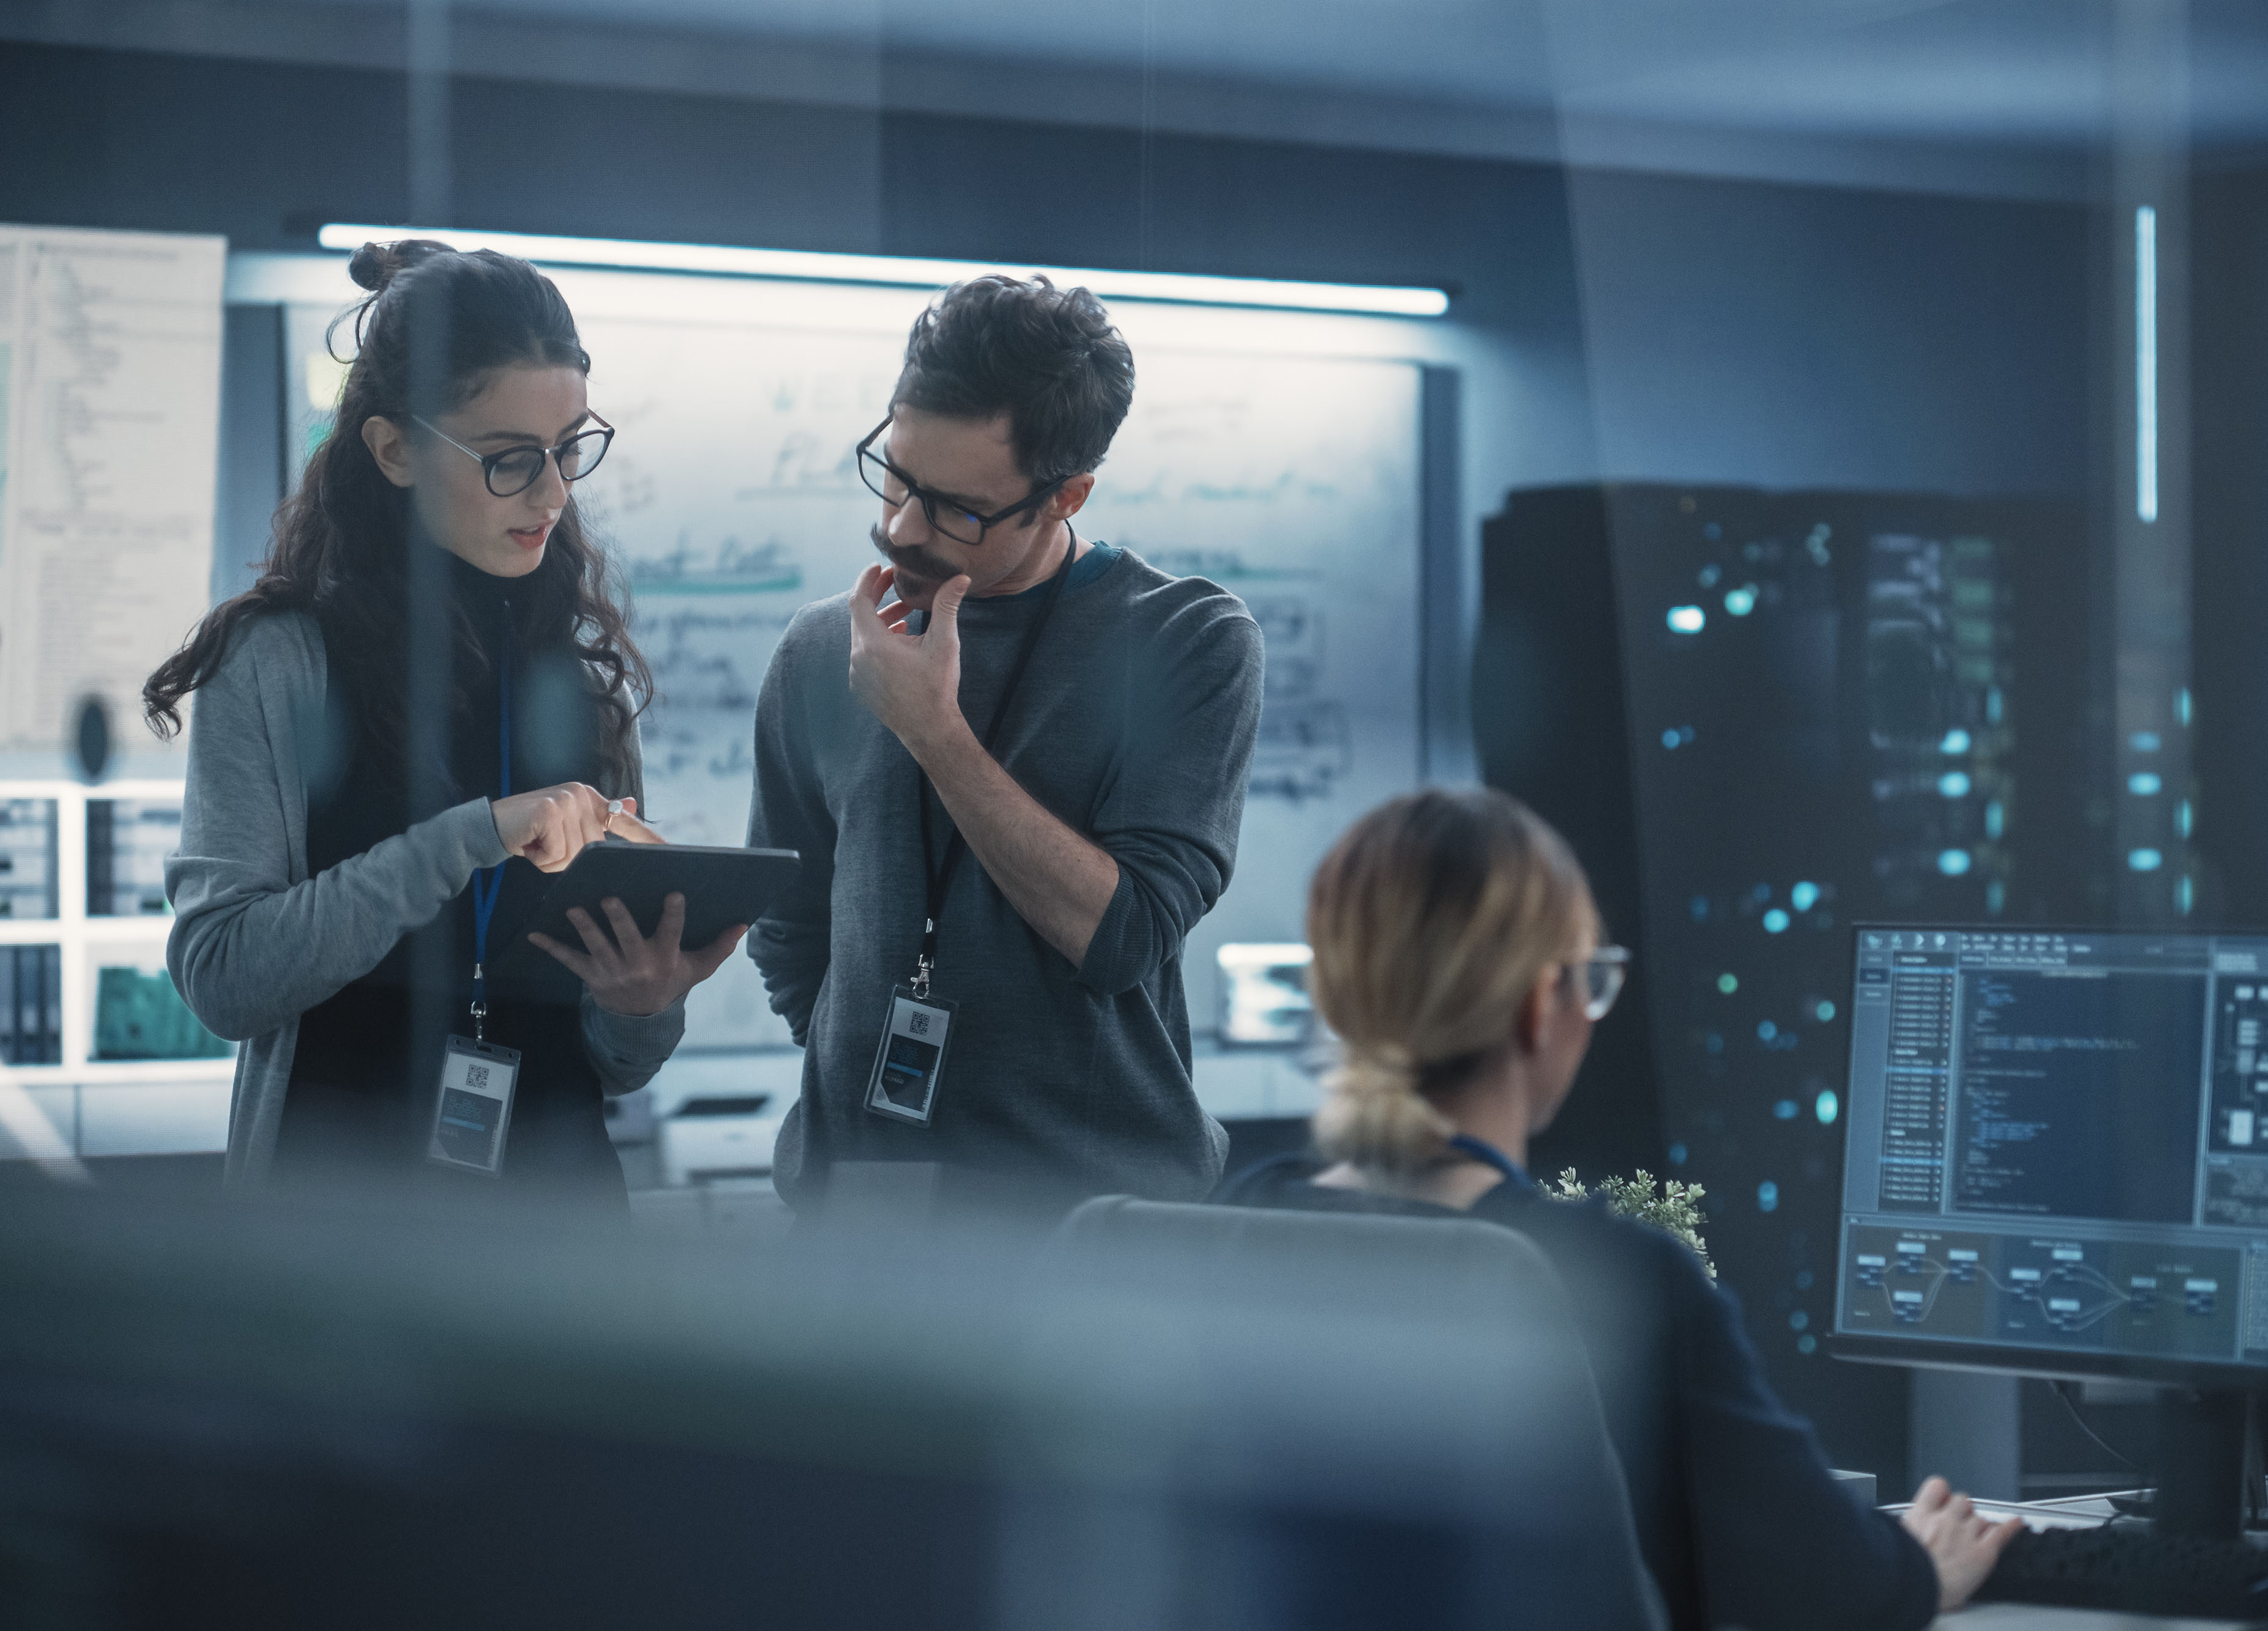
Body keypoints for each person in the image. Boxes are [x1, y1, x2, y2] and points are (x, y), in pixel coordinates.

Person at [1218, 788, 2019, 1630]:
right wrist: (1917, 1569)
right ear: (1541, 1005)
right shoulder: (1617, 1281)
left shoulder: (1243, 1223)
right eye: (1591, 981)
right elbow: (1828, 1583)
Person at [147, 239, 741, 1203]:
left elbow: (617, 1065)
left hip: (560, 1237)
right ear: (394, 450)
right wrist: (477, 836)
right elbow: (225, 978)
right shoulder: (279, 661)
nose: (553, 493)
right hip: (332, 1231)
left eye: (570, 448)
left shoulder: (578, 668)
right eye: (509, 460)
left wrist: (643, 1003)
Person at [748, 275, 1264, 1211]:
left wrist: (932, 731)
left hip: (1089, 1223)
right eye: (896, 475)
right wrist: (859, 1069)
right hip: (857, 1215)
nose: (901, 527)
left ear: (1066, 496)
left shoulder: (1188, 641)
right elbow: (787, 921)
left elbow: (1126, 936)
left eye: (958, 509)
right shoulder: (825, 647)